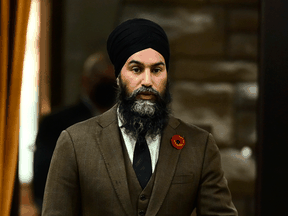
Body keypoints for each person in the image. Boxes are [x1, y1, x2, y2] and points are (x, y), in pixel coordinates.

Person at [42, 18, 238, 216]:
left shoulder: (199, 146)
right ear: (118, 77)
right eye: (136, 69)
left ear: (167, 76)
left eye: (156, 70)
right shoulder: (75, 143)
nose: (147, 81)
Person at [32, 51, 117, 213]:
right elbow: (44, 180)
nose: (109, 88)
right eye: (104, 81)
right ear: (86, 81)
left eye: (114, 83)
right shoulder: (56, 124)